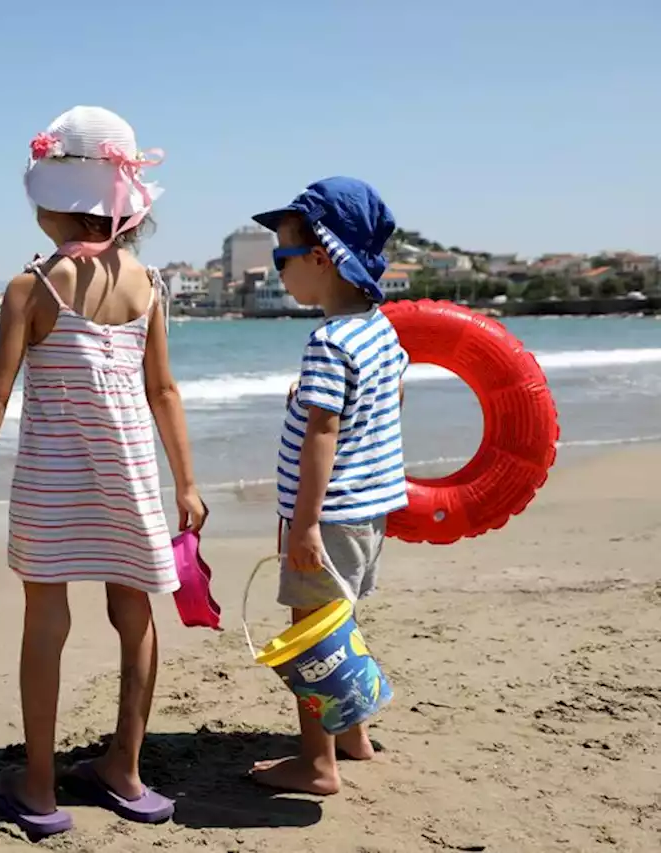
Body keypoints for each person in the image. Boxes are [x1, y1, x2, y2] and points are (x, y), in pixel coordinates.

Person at [0, 105, 206, 837]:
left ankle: (41, 784)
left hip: (55, 482)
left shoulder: (34, 286)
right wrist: (184, 481)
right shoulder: (148, 285)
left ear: (54, 200)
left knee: (46, 622)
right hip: (128, 476)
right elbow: (164, 391)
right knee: (134, 614)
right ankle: (125, 765)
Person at [246, 177, 408, 795]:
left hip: (328, 517)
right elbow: (386, 395)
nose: (276, 272)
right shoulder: (378, 330)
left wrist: (306, 523)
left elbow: (322, 435)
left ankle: (318, 763)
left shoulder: (327, 341)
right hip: (368, 514)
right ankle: (354, 736)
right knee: (342, 624)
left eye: (281, 259)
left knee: (311, 637)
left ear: (320, 260)